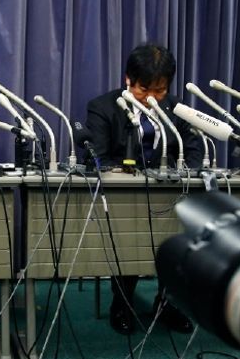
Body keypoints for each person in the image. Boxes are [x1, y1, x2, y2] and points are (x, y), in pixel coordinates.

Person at [84, 43, 203, 335]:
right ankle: (122, 302)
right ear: (128, 79)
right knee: (130, 236)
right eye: (143, 90)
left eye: (159, 91)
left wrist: (182, 171)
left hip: (171, 194)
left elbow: (195, 150)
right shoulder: (103, 108)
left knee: (180, 240)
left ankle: (166, 303)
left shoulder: (177, 110)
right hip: (125, 198)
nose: (150, 98)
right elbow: (97, 155)